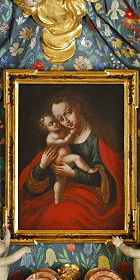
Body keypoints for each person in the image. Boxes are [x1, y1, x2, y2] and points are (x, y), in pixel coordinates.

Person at [19, 92, 123, 231]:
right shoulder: (59, 135)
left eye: (68, 113)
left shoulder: (97, 138)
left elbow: (104, 179)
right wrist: (42, 167)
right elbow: (33, 186)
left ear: (77, 108)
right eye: (60, 119)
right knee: (41, 216)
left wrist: (74, 174)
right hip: (64, 193)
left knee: (64, 217)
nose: (66, 121)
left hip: (91, 197)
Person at [38, 112, 99, 204]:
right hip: (61, 160)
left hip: (61, 160)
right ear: (46, 128)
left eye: (54, 121)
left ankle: (57, 200)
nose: (55, 124)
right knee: (77, 158)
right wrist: (71, 133)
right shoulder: (50, 138)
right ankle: (88, 170)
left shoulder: (58, 132)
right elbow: (64, 141)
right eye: (51, 124)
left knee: (60, 182)